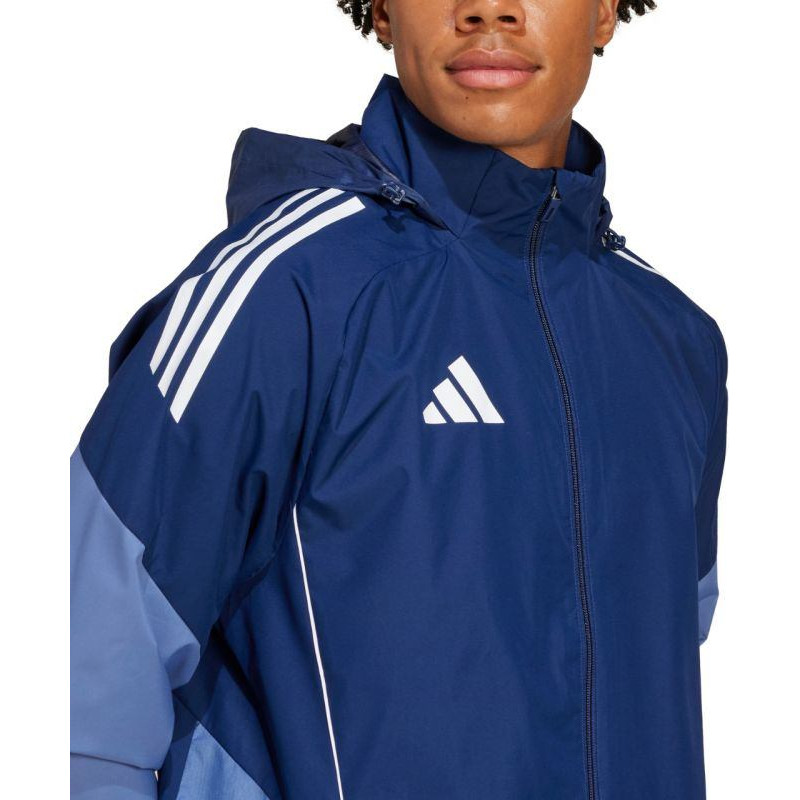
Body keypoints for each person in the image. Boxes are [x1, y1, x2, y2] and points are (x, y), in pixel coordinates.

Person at [70, 1, 727, 798]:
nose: (489, 7)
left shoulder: (673, 340)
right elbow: (83, 696)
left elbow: (663, 662)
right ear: (382, 10)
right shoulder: (284, 292)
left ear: (604, 13)